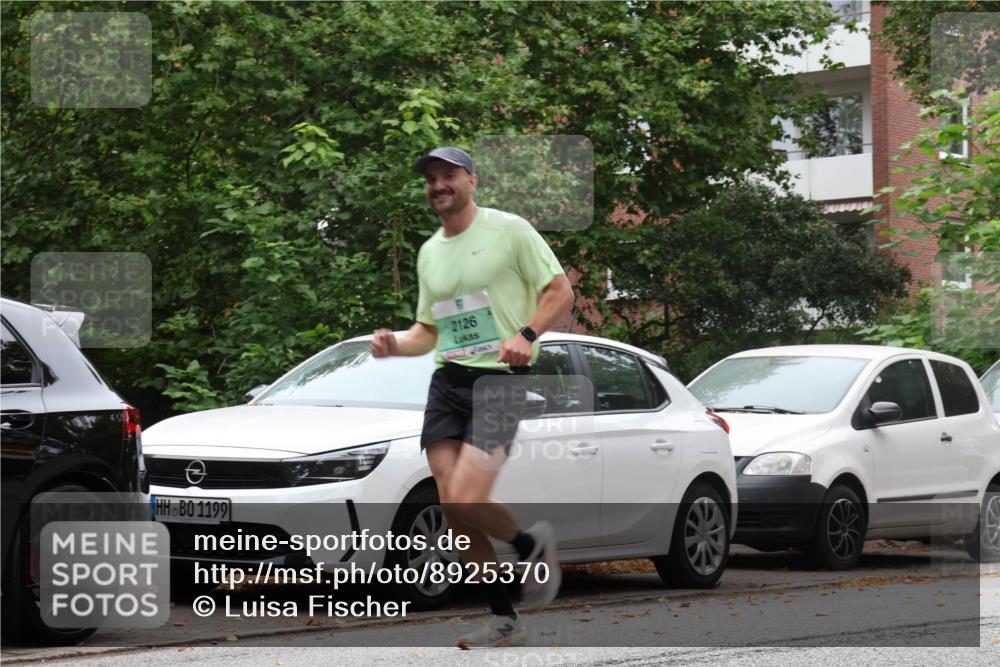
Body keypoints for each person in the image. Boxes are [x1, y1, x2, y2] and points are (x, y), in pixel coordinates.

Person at [371, 146, 574, 648]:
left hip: (501, 382)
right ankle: (505, 619)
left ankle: (529, 543)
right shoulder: (429, 252)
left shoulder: (510, 230)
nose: (438, 185)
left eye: (448, 176)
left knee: (466, 496)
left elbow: (560, 291)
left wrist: (526, 334)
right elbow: (427, 331)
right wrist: (395, 345)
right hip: (448, 382)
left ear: (472, 181)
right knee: (454, 509)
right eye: (431, 179)